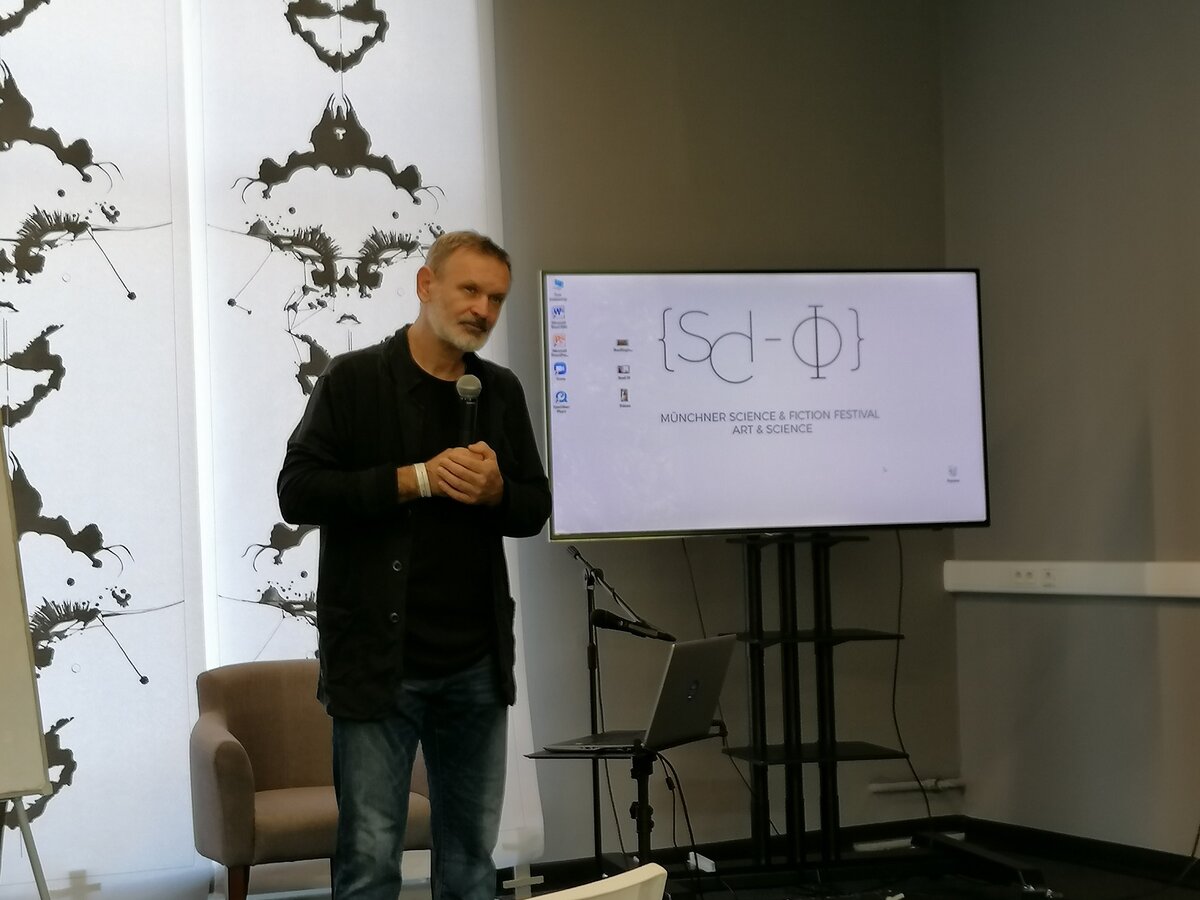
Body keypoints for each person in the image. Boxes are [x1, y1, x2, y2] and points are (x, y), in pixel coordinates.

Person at [277, 230, 551, 900]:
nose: (483, 309)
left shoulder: (499, 391)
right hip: (378, 662)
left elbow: (533, 506)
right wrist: (414, 480)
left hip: (476, 665)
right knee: (370, 862)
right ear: (426, 286)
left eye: (496, 299)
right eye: (470, 290)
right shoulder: (353, 381)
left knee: (471, 860)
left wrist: (498, 492)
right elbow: (298, 492)